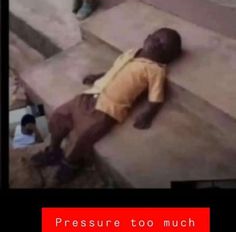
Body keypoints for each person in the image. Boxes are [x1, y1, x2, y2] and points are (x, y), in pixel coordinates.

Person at [31, 28, 182, 184]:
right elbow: (114, 70)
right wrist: (97, 76)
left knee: (83, 136)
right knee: (59, 116)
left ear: (168, 57)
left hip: (107, 109)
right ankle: (53, 150)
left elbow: (156, 98)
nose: (158, 45)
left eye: (164, 47)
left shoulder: (155, 70)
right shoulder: (131, 52)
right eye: (157, 39)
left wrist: (148, 114)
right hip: (90, 95)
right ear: (147, 37)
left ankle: (71, 162)